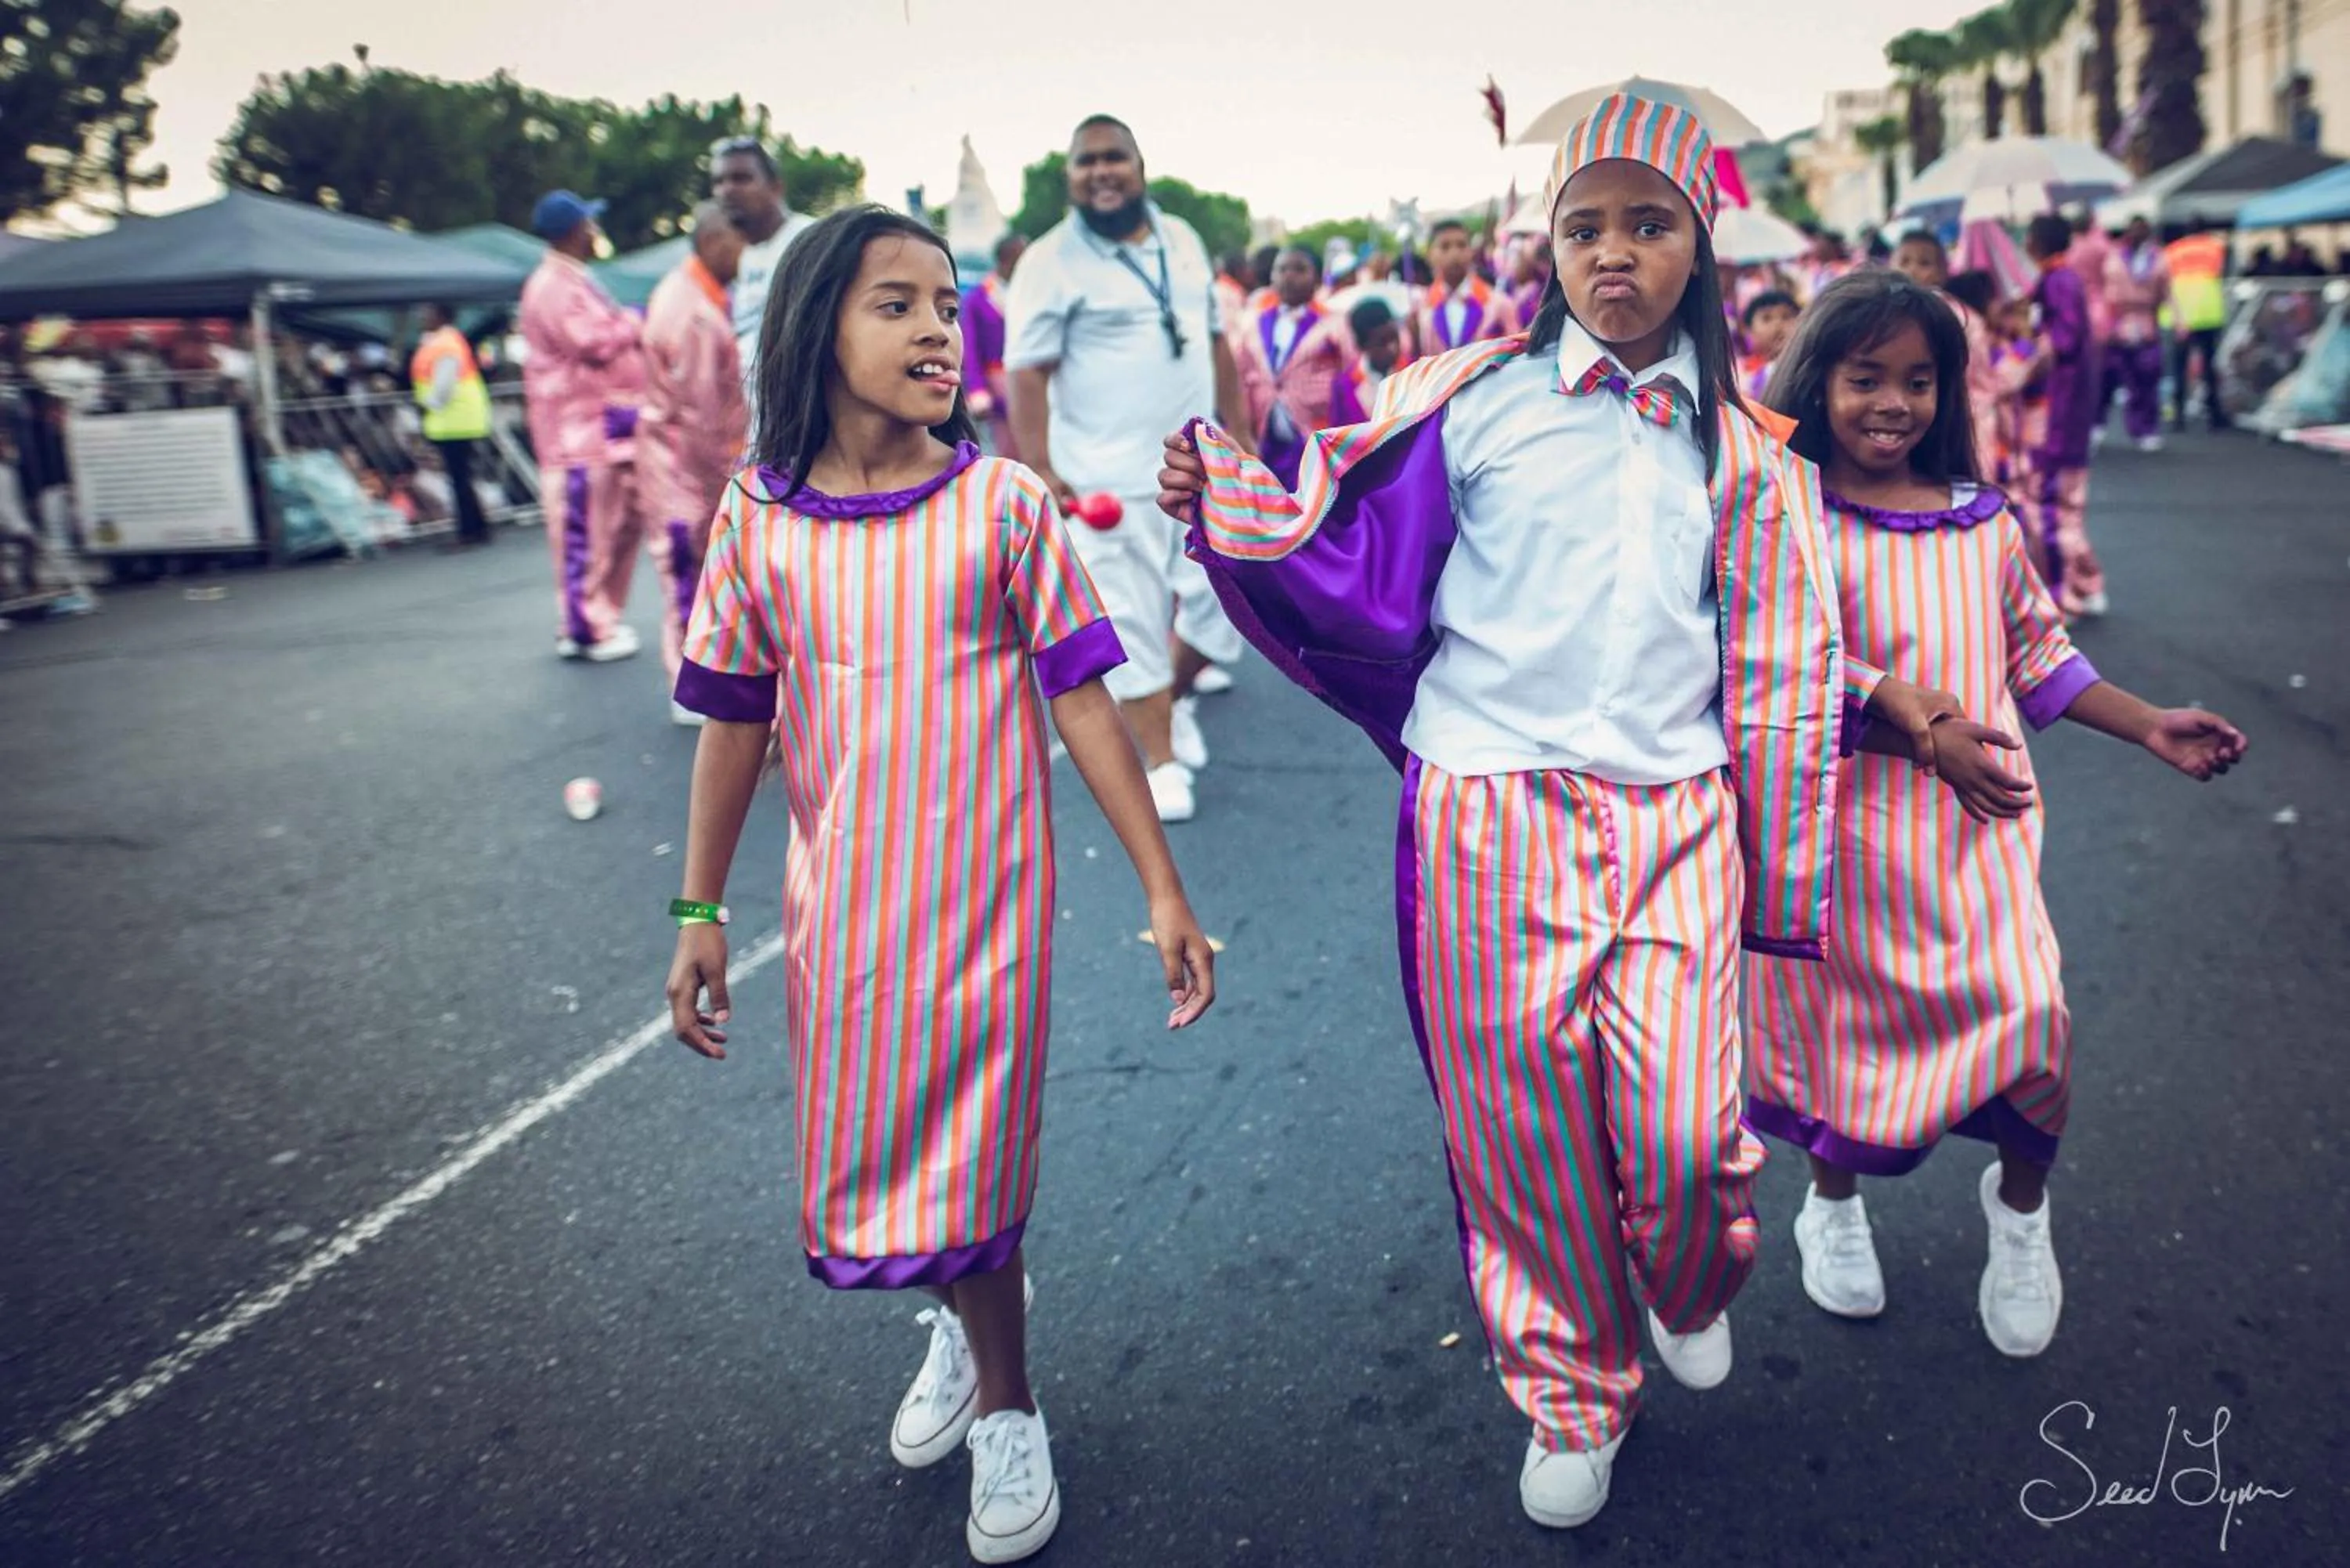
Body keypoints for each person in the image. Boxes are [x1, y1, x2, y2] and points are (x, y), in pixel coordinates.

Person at [1157, 93, 1955, 1530]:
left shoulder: (1753, 454)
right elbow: (1329, 524)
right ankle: (1572, 1389)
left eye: (1648, 224)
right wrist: (1218, 494)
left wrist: (1823, 806)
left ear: (1697, 248)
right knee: (1518, 1134)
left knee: (1691, 1132)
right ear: (1549, 248)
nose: (1612, 253)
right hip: (1488, 808)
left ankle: (1688, 1270)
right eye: (1584, 225)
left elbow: (1785, 657)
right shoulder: (1465, 394)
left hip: (1678, 819)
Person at [663, 205, 1215, 1566]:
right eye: (894, 304)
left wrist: (1162, 886)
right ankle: (962, 1335)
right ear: (813, 329)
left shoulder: (1003, 504)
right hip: (841, 907)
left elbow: (1086, 700)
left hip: (986, 908)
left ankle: (1010, 1401)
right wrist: (697, 909)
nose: (936, 329)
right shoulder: (758, 516)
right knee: (886, 1154)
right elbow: (733, 716)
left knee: (972, 1158)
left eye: (945, 301)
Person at [1745, 269, 2247, 1355]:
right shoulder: (1784, 521)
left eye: (1919, 381)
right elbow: (1775, 671)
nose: (1893, 402)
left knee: (2035, 1022)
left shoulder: (1983, 522)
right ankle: (1831, 1206)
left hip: (1979, 845)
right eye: (1865, 375)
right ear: (1815, 379)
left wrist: (2148, 720)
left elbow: (2038, 651)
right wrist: (1906, 726)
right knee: (1846, 1049)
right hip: (1844, 849)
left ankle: (2021, 1215)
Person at [1003, 114, 1254, 824]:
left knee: (1222, 609)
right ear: (1070, 178)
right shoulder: (1048, 261)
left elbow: (1213, 343)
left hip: (1196, 474)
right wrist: (1044, 469)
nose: (1101, 172)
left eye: (1115, 158)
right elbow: (1025, 374)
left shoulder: (1184, 239)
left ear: (1141, 167)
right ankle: (1160, 759)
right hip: (1103, 486)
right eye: (1086, 162)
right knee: (1131, 625)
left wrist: (1239, 434)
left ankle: (1165, 709)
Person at [519, 190, 648, 660]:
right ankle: (585, 627)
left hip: (599, 430)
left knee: (609, 528)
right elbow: (590, 341)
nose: (596, 233)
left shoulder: (571, 279)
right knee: (583, 533)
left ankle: (597, 617)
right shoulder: (554, 285)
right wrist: (632, 323)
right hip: (577, 435)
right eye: (590, 225)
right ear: (574, 232)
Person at [640, 202, 750, 718]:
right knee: (689, 573)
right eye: (738, 240)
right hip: (686, 465)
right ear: (712, 242)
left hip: (680, 459)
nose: (744, 252)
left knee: (699, 571)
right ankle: (692, 690)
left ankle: (701, 682)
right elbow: (707, 415)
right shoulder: (695, 314)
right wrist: (731, 476)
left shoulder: (691, 296)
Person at [2020, 214, 2106, 618]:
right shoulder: (2060, 279)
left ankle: (2065, 595)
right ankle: (2085, 586)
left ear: (2037, 241)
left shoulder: (2057, 281)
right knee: (2064, 503)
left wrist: (2028, 351)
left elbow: (2062, 340)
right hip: (2067, 409)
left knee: (2053, 506)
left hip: (2058, 410)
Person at [1234, 246, 1356, 486]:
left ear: (1318, 278)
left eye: (1299, 270)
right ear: (1272, 277)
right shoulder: (1255, 323)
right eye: (1281, 270)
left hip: (1317, 436)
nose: (1288, 276)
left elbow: (1351, 372)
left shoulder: (1334, 323)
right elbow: (1241, 374)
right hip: (1265, 439)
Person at [711, 136, 820, 396]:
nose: (727, 190)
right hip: (764, 421)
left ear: (776, 187)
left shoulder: (811, 241)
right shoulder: (749, 254)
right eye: (718, 182)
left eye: (741, 178)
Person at [409, 304, 496, 551]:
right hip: (456, 418)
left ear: (442, 316)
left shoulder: (445, 345)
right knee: (461, 478)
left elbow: (443, 386)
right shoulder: (443, 342)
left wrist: (427, 404)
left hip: (454, 419)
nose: (422, 318)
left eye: (427, 314)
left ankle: (469, 530)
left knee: (459, 479)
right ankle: (476, 527)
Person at [2106, 217, 2171, 453]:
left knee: (2150, 375)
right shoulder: (2116, 257)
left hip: (2147, 323)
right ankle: (2137, 426)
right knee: (2130, 378)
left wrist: (2176, 318)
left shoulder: (2157, 258)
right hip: (2122, 323)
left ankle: (2149, 427)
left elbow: (2166, 291)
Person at [960, 233, 1026, 457]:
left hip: (1029, 377)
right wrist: (977, 390)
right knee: (1007, 447)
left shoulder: (1029, 292)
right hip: (997, 384)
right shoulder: (978, 298)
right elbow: (971, 347)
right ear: (1004, 261)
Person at [1414, 219, 1517, 355]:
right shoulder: (1421, 306)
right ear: (1430, 255)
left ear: (1471, 251)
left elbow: (1516, 353)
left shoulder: (1500, 303)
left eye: (1462, 245)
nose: (1455, 254)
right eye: (1445, 247)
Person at [2164, 225, 2231, 432]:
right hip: (2208, 313)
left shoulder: (2173, 251)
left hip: (2181, 315)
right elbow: (2224, 273)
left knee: (2179, 368)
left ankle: (2178, 416)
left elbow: (2166, 282)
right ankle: (2214, 415)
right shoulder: (2216, 248)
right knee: (2209, 368)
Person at [1329, 297, 1404, 425]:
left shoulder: (1415, 371)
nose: (1393, 349)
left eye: (1394, 339)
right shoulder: (1345, 387)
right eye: (1383, 343)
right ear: (1362, 345)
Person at [1737, 288, 1799, 397]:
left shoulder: (1801, 370)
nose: (1778, 324)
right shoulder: (1740, 373)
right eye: (1767, 318)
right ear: (1747, 330)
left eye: (1786, 317)